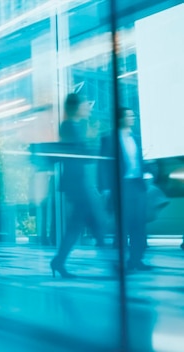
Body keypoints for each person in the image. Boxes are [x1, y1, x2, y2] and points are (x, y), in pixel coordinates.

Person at [50, 93, 106, 278]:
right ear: (76, 107)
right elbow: (79, 154)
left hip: (78, 184)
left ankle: (58, 261)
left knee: (80, 225)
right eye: (85, 104)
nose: (88, 107)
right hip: (76, 185)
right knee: (93, 223)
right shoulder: (68, 127)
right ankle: (114, 264)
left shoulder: (74, 126)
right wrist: (94, 139)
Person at [99, 108, 149, 271]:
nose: (132, 118)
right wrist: (106, 188)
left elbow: (139, 161)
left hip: (137, 184)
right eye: (129, 115)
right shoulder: (109, 138)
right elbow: (104, 165)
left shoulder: (136, 138)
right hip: (121, 186)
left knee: (139, 223)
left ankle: (136, 260)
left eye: (133, 115)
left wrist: (147, 173)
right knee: (124, 224)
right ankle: (122, 262)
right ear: (120, 118)